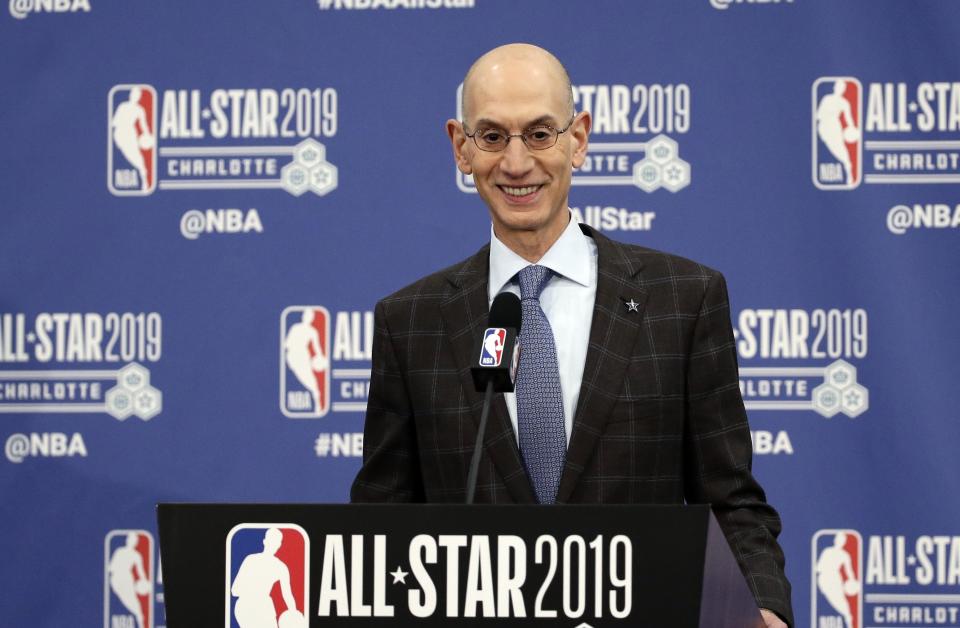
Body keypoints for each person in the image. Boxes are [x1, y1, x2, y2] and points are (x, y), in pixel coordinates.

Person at [351, 43, 793, 627]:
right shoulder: (411, 322)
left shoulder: (682, 299)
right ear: (461, 147)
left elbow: (731, 501)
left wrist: (764, 609)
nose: (515, 163)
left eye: (539, 133)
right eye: (491, 137)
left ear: (577, 139)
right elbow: (380, 523)